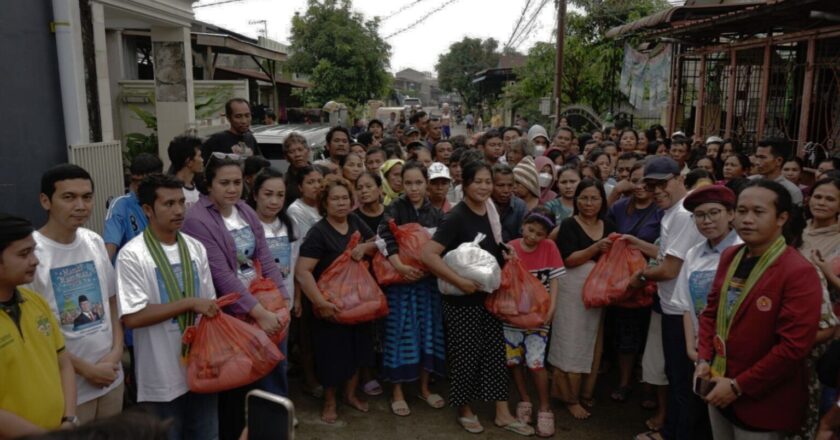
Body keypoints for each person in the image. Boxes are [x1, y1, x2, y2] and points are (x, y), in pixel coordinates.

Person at [695, 180, 823, 438]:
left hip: (761, 400)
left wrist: (738, 386)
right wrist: (703, 359)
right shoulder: (731, 256)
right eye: (741, 211)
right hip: (718, 383)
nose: (747, 219)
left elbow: (793, 347)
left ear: (781, 218)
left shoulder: (798, 272)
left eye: (758, 212)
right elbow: (711, 311)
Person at [421, 159, 534, 436]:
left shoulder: (490, 208)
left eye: (488, 182)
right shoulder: (456, 217)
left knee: (496, 353)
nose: (484, 187)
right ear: (465, 184)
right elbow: (428, 255)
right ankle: (464, 408)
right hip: (461, 299)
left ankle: (501, 411)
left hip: (488, 295)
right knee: (466, 354)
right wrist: (459, 280)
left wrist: (505, 251)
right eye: (478, 182)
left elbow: (492, 244)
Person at [180, 156, 289, 439]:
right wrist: (260, 313)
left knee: (261, 377)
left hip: (260, 305)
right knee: (233, 384)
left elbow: (264, 255)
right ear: (209, 184)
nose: (232, 189)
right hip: (230, 315)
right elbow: (221, 275)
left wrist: (281, 299)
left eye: (237, 182)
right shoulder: (197, 219)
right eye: (224, 183)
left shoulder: (244, 209)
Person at [115, 174, 219, 440]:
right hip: (160, 376)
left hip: (201, 367)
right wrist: (188, 303)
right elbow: (133, 317)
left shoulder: (195, 248)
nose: (179, 210)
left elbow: (209, 305)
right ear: (148, 209)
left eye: (182, 202)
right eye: (169, 203)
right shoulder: (132, 255)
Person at [30, 165, 124, 423]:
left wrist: (116, 352)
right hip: (67, 389)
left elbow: (112, 303)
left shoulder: (93, 241)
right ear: (45, 201)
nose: (81, 205)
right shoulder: (31, 253)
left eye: (87, 197)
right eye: (69, 197)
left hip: (111, 379)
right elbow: (33, 333)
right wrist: (87, 370)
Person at [629, 156, 705, 440]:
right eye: (651, 185)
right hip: (672, 304)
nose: (657, 191)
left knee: (681, 381)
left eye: (663, 184)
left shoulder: (684, 214)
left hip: (681, 308)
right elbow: (666, 255)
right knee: (676, 376)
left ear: (679, 179)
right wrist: (637, 244)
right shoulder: (673, 212)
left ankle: (674, 434)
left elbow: (670, 268)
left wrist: (638, 279)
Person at [295, 176, 379, 424]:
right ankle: (330, 401)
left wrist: (365, 248)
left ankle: (350, 395)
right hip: (330, 305)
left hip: (358, 302)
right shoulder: (318, 232)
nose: (341, 203)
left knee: (356, 352)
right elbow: (302, 271)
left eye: (345, 198)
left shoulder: (355, 221)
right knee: (332, 356)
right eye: (335, 199)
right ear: (324, 203)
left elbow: (376, 242)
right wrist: (319, 302)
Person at [668, 185, 741, 440]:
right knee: (701, 417)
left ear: (731, 214)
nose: (707, 221)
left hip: (740, 353)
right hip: (703, 352)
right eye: (700, 215)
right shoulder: (693, 253)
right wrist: (693, 349)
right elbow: (685, 304)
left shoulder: (745, 251)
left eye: (714, 213)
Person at [377, 161, 447, 417]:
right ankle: (397, 392)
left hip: (428, 284)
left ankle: (424, 388)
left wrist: (429, 267)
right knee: (400, 333)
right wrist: (401, 267)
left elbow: (442, 245)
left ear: (426, 183)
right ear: (401, 184)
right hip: (400, 283)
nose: (414, 188)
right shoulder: (394, 208)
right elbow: (384, 239)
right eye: (408, 183)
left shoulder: (437, 214)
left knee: (428, 333)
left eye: (419, 182)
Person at [0, 214, 77, 437]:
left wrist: (69, 420)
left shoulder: (35, 302)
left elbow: (64, 364)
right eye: (24, 254)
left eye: (34, 251)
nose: (35, 260)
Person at [548, 178, 615, 421]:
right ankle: (569, 397)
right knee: (569, 342)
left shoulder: (608, 225)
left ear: (602, 201)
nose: (589, 203)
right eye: (584, 198)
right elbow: (569, 259)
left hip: (597, 293)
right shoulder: (568, 225)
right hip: (571, 292)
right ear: (576, 201)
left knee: (592, 341)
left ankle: (585, 391)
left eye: (594, 198)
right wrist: (596, 248)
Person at [606, 162, 662, 408]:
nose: (640, 186)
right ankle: (624, 382)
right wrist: (616, 192)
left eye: (646, 182)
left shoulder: (662, 210)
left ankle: (649, 387)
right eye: (635, 180)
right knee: (625, 335)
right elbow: (603, 227)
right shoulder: (619, 207)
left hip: (652, 280)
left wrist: (636, 243)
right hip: (623, 281)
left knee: (650, 337)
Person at [506, 207, 564, 437]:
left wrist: (552, 308)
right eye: (530, 229)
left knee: (536, 363)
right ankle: (524, 400)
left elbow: (555, 281)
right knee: (514, 361)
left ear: (546, 236)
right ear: (523, 226)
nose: (532, 236)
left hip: (539, 318)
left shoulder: (550, 248)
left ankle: (545, 407)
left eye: (539, 233)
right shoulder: (510, 247)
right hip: (512, 316)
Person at [794, 177, 840, 438]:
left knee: (818, 399)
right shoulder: (796, 231)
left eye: (830, 198)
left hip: (827, 334)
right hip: (789, 323)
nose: (821, 203)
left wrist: (826, 272)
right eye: (818, 197)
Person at [286, 164, 324, 398]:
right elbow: (297, 254)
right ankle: (309, 380)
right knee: (306, 334)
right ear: (300, 187)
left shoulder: (325, 206)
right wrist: (298, 294)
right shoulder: (296, 211)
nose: (317, 186)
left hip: (325, 277)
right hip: (305, 277)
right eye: (311, 182)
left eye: (320, 181)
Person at [104, 153, 163, 260]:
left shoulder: (165, 203)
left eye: (142, 182)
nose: (137, 187)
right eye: (135, 181)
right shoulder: (120, 205)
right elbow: (110, 246)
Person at [751, 137, 804, 205]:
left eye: (762, 157)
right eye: (757, 157)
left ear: (778, 161)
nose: (757, 162)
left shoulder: (792, 191)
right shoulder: (750, 181)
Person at [167, 135, 204, 209]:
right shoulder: (171, 191)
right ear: (189, 162)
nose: (202, 160)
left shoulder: (201, 188)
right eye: (199, 156)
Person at [493, 163, 528, 243]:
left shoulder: (520, 207)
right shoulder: (483, 205)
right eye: (501, 185)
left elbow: (523, 237)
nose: (506, 190)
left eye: (510, 185)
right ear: (491, 185)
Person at [282, 132, 312, 208]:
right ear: (286, 157)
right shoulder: (284, 182)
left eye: (300, 149)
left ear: (308, 151)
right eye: (292, 152)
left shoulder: (322, 172)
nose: (297, 154)